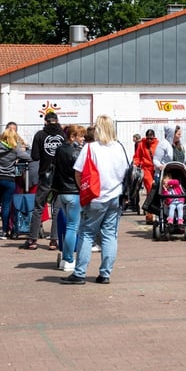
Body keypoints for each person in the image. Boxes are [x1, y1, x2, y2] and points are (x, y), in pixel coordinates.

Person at [61, 114, 131, 285]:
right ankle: (105, 273)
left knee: (86, 233)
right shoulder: (120, 148)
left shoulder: (90, 148)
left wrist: (82, 189)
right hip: (115, 196)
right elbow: (127, 172)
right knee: (109, 235)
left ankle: (80, 273)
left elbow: (78, 171)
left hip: (95, 196)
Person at [22, 111, 65, 250]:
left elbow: (34, 156)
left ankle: (33, 239)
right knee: (57, 209)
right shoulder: (63, 135)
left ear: (45, 121)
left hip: (45, 174)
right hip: (60, 176)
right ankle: (54, 240)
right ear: (57, 120)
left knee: (39, 207)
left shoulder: (40, 135)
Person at [0, 129, 32, 240]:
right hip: (9, 179)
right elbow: (29, 158)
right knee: (6, 206)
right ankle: (4, 232)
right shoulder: (15, 149)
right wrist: (16, 159)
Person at [52, 124, 84, 268]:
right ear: (72, 136)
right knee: (72, 227)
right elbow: (79, 173)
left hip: (61, 192)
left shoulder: (59, 150)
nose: (83, 139)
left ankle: (66, 257)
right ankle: (69, 259)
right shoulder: (76, 152)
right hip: (73, 192)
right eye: (80, 136)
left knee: (68, 226)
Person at [132, 129, 159, 223]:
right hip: (146, 169)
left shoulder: (158, 144)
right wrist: (135, 165)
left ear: (154, 137)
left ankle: (158, 213)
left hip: (157, 169)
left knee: (159, 190)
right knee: (150, 189)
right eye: (148, 138)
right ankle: (149, 215)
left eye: (151, 138)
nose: (149, 140)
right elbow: (137, 156)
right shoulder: (141, 144)